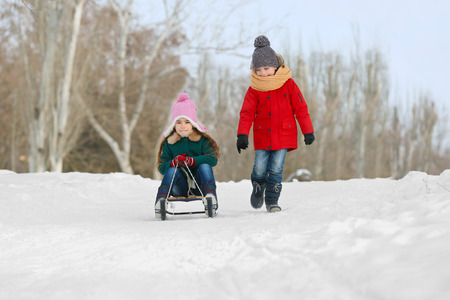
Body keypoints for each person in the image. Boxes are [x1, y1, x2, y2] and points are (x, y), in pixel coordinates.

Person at [236, 35, 315, 213]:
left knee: (276, 169)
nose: (263, 73)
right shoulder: (254, 89)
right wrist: (242, 134)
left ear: (275, 66)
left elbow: (301, 108)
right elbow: (247, 113)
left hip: (284, 135)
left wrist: (307, 131)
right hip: (263, 135)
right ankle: (258, 188)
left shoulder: (288, 84)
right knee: (259, 169)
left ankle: (272, 201)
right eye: (259, 70)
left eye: (267, 68)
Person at [155, 92, 220, 219]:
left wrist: (192, 161)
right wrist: (173, 162)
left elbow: (213, 159)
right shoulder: (170, 143)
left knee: (205, 165)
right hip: (180, 187)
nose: (182, 126)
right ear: (174, 125)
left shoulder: (202, 140)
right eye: (178, 122)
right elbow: (161, 167)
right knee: (172, 169)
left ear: (193, 124)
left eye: (186, 122)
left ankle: (210, 196)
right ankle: (161, 199)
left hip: (200, 186)